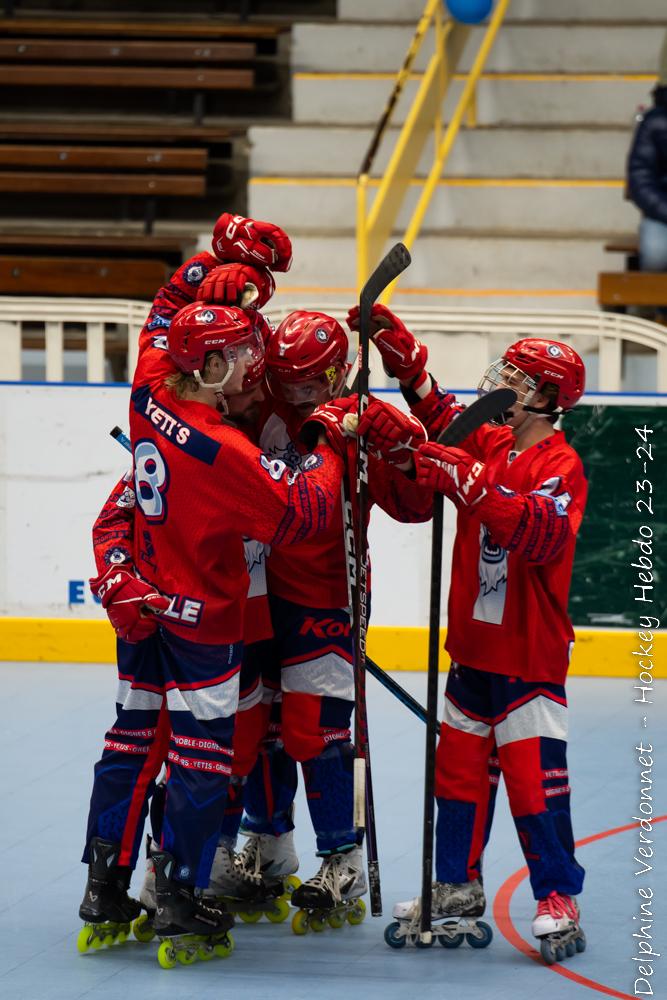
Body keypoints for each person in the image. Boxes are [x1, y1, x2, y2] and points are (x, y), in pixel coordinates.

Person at [79, 300, 348, 958]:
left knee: (129, 748)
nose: (255, 370)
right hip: (203, 620)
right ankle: (178, 896)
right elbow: (302, 518)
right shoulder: (225, 449)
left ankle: (103, 886)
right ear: (213, 365)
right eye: (243, 357)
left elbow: (157, 325)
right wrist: (328, 444)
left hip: (143, 613)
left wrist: (220, 271)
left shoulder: (145, 394)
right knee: (203, 760)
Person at [356, 304, 588, 958]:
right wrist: (403, 358)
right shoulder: (487, 440)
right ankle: (455, 884)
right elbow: (443, 423)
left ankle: (556, 894)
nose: (497, 387)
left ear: (544, 398)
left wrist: (467, 482)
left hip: (528, 657)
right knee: (456, 776)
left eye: (512, 380)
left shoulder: (559, 466)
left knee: (532, 784)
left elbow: (539, 533)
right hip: (472, 653)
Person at [627, 37, 667, 272]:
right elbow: (640, 178)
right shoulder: (655, 122)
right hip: (662, 213)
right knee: (656, 251)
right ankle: (656, 308)